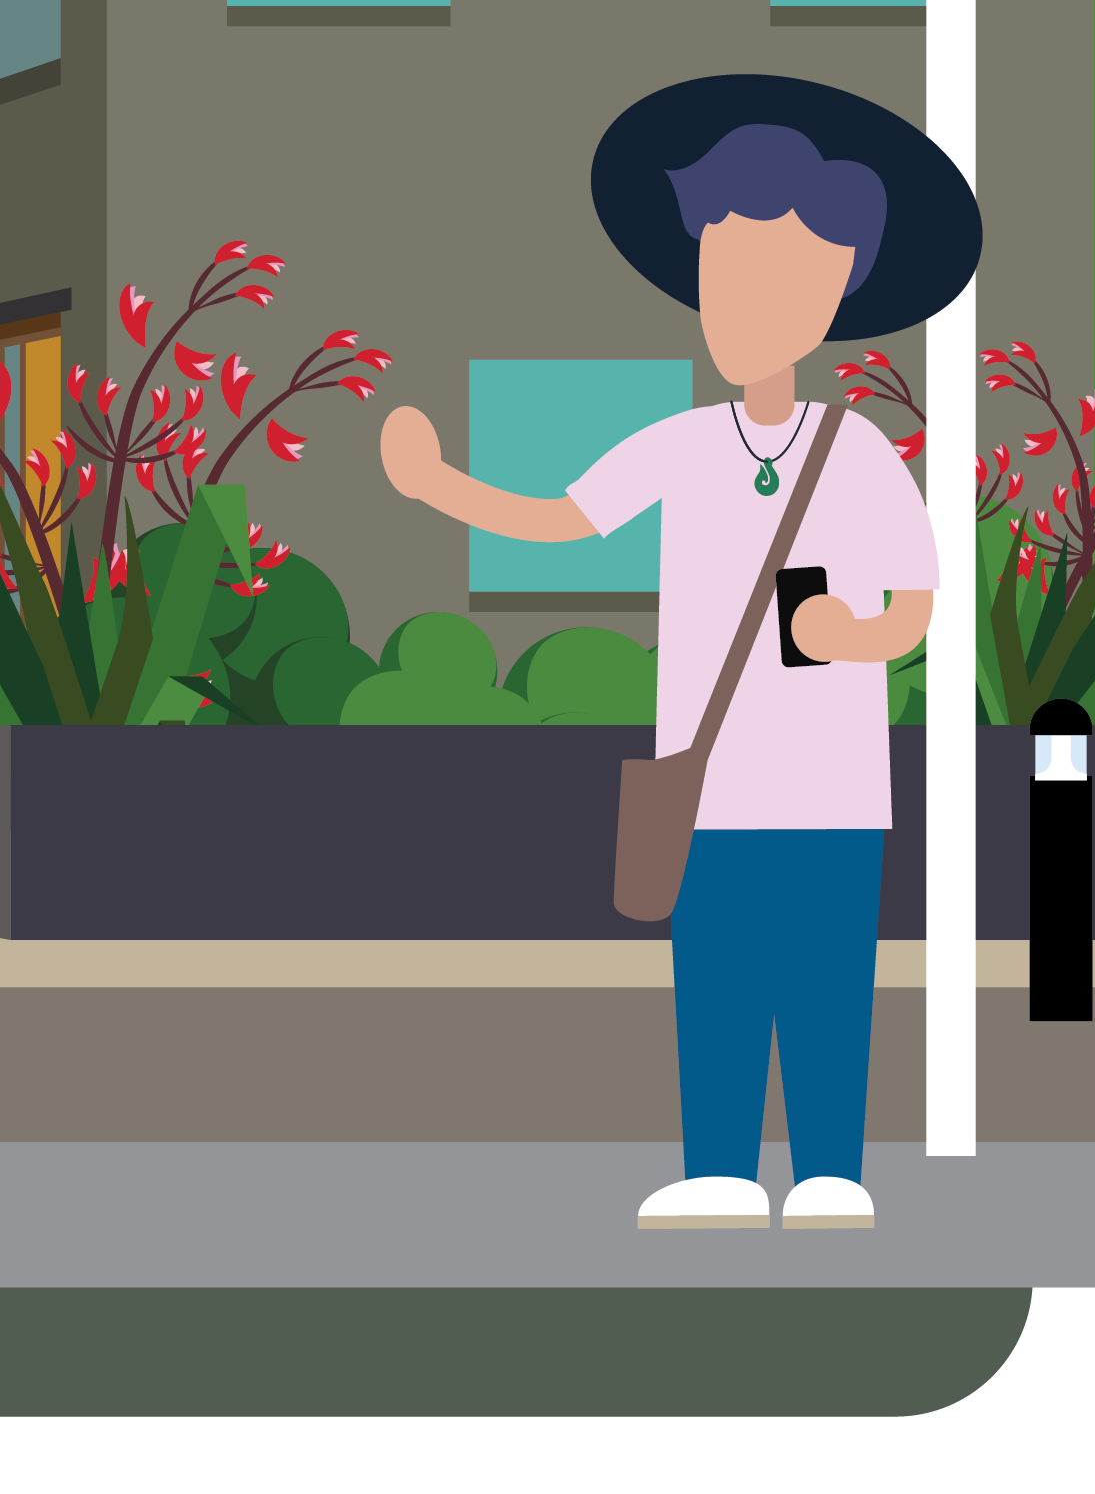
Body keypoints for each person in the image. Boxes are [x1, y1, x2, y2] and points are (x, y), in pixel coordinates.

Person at [373, 75, 973, 1235]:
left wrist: (846, 634)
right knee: (715, 981)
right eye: (722, 270)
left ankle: (832, 1169)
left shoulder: (854, 455)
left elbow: (915, 601)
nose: (741, 301)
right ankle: (716, 1167)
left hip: (834, 790)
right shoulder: (682, 445)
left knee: (825, 984)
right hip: (705, 784)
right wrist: (436, 483)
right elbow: (562, 515)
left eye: (777, 277)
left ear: (834, 295)